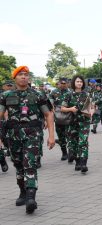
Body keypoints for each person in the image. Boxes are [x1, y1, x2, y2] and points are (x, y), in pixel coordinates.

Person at [0, 66, 55, 214]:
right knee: (18, 165)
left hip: (33, 134)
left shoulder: (38, 95)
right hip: (13, 135)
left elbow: (49, 114)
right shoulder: (6, 96)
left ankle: (31, 197)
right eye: (20, 75)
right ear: (15, 78)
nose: (24, 77)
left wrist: (51, 136)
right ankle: (23, 192)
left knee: (29, 163)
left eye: (26, 75)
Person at [61, 75, 91, 173]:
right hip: (72, 123)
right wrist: (71, 109)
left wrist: (91, 113)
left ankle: (84, 163)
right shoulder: (68, 95)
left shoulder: (87, 95)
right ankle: (77, 161)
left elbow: (92, 107)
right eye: (77, 81)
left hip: (84, 122)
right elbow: (62, 108)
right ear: (74, 83)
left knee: (83, 142)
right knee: (73, 144)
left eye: (81, 82)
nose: (79, 83)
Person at [49, 77, 70, 161]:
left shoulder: (70, 92)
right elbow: (50, 102)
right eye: (62, 83)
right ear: (59, 83)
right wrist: (52, 108)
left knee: (69, 135)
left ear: (68, 83)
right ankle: (64, 152)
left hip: (69, 116)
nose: (63, 85)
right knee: (61, 136)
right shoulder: (54, 92)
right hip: (58, 117)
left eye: (65, 83)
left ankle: (71, 152)